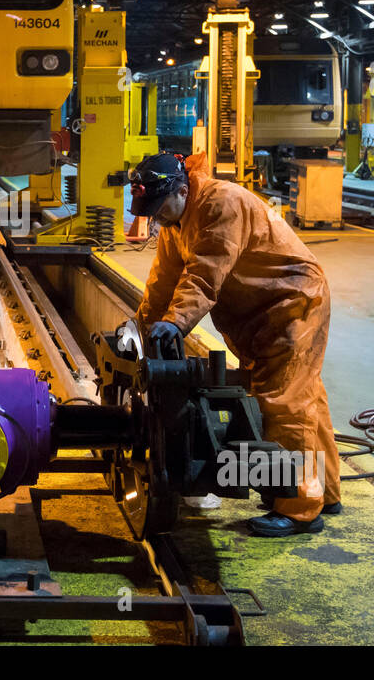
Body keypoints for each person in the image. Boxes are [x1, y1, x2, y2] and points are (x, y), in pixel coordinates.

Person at [129, 151, 342, 535]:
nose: (156, 217)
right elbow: (163, 283)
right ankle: (324, 490)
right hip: (258, 315)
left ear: (182, 189)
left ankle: (298, 508)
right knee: (306, 396)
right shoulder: (177, 222)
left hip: (290, 305)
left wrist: (176, 323)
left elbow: (205, 275)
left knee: (283, 406)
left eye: (160, 208)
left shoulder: (220, 204)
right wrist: (141, 331)